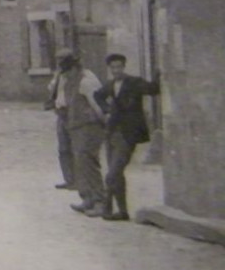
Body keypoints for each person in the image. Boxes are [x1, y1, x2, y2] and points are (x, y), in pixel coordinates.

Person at [94, 53, 162, 221]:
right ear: (110, 69)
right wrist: (107, 110)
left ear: (124, 67)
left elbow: (154, 89)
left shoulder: (134, 82)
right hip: (112, 133)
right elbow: (98, 96)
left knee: (113, 173)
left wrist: (158, 73)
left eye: (119, 67)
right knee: (116, 173)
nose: (116, 70)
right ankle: (122, 211)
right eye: (113, 68)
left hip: (128, 134)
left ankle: (106, 205)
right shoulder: (109, 85)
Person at [53, 49, 107, 216]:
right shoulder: (71, 81)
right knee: (80, 164)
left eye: (68, 71)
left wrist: (105, 124)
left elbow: (99, 105)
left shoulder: (86, 81)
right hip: (76, 127)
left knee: (89, 163)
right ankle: (88, 198)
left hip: (89, 127)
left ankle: (100, 201)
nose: (66, 75)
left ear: (75, 68)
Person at [44, 66, 76, 191]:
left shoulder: (76, 78)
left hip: (72, 112)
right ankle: (68, 179)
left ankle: (77, 180)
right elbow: (51, 88)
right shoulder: (59, 77)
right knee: (63, 148)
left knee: (73, 146)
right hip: (60, 112)